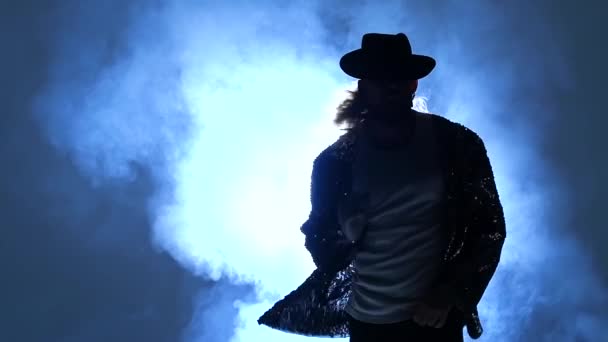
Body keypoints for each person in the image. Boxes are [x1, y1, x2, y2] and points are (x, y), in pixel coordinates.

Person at [258, 32, 506, 342]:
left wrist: (450, 292)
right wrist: (344, 235)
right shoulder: (335, 162)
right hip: (368, 325)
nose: (390, 85)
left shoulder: (456, 144)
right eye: (380, 77)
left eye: (399, 77)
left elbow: (489, 228)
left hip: (435, 321)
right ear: (364, 87)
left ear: (413, 83)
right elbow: (318, 235)